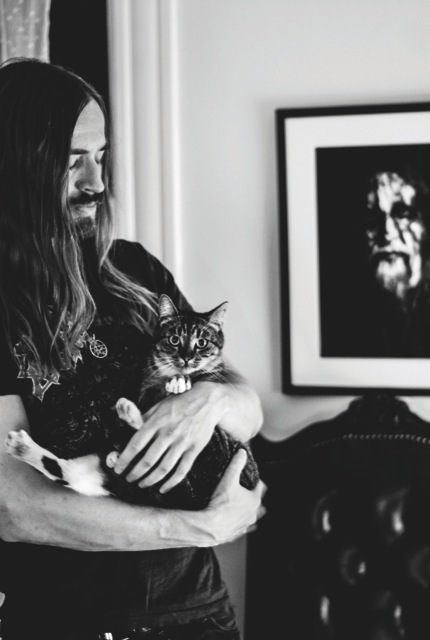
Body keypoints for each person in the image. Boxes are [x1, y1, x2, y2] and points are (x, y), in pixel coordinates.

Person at [0, 58, 265, 640]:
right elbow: (15, 507)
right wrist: (200, 528)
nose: (96, 182)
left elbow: (248, 409)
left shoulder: (135, 269)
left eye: (101, 156)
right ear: (17, 164)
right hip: (70, 622)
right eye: (71, 160)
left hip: (199, 613)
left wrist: (209, 404)